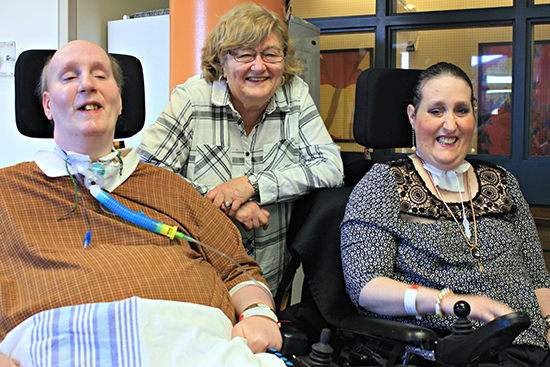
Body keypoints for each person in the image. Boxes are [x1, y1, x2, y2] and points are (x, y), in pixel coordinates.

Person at [0, 40, 286, 367]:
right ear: (48, 106)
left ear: (120, 102)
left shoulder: (170, 187)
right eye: (68, 77)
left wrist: (259, 314)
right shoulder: (6, 191)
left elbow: (236, 267)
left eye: (100, 76)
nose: (87, 84)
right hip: (57, 346)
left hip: (197, 344)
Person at [340, 62, 550, 365]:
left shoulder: (501, 180)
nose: (450, 125)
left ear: (474, 116)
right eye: (436, 111)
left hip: (530, 345)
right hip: (452, 349)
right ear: (413, 116)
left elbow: (537, 279)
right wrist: (453, 303)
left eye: (461, 110)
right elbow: (366, 286)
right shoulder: (383, 183)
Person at [137, 3, 344, 292]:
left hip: (271, 274)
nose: (259, 66)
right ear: (222, 62)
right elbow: (146, 172)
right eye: (245, 54)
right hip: (199, 269)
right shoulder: (192, 98)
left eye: (271, 54)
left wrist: (253, 185)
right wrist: (224, 204)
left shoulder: (294, 93)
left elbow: (331, 166)